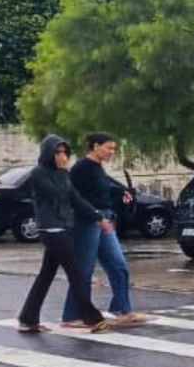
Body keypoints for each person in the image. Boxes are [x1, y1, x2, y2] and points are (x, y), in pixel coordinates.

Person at [17, 136, 112, 334]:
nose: (62, 157)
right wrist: (64, 175)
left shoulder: (63, 175)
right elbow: (56, 194)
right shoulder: (39, 173)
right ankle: (92, 318)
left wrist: (98, 217)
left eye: (65, 153)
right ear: (48, 154)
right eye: (57, 153)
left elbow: (76, 199)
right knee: (76, 274)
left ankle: (28, 318)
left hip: (64, 229)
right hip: (51, 230)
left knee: (46, 275)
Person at [63, 133, 146, 327]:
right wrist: (96, 217)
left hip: (105, 218)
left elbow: (103, 189)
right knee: (84, 269)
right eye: (108, 148)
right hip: (88, 221)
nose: (111, 152)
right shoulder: (81, 168)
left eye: (113, 149)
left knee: (118, 265)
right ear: (95, 146)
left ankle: (122, 310)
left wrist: (122, 193)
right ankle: (72, 315)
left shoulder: (98, 168)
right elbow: (74, 198)